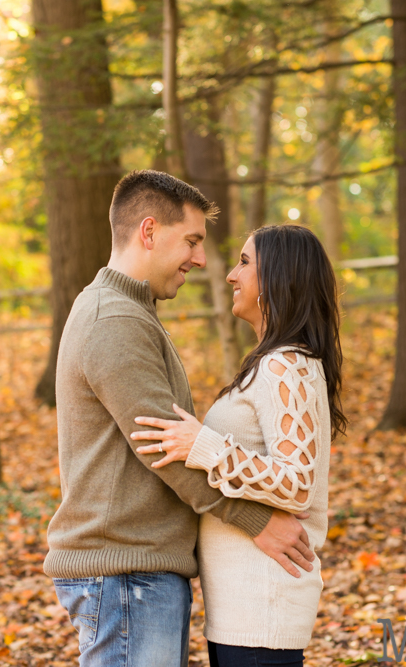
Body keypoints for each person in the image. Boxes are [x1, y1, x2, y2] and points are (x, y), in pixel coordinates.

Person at [43, 171, 316, 667]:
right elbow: (163, 448)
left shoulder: (129, 311)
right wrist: (257, 521)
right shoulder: (116, 319)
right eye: (191, 241)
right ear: (149, 232)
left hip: (135, 570)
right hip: (126, 571)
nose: (200, 259)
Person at [131, 224, 346, 667]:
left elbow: (297, 483)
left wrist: (204, 445)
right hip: (242, 604)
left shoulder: (288, 365)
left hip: (263, 601)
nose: (231, 274)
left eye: (245, 263)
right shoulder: (275, 362)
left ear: (278, 281)